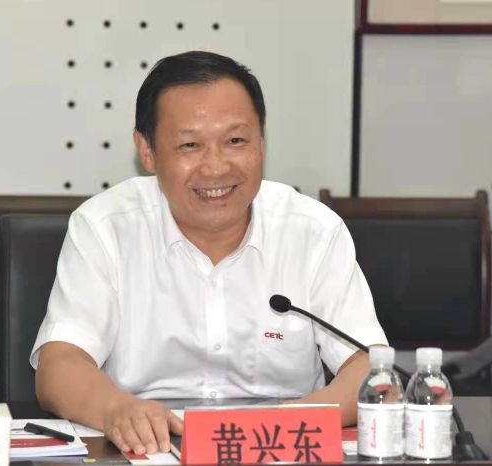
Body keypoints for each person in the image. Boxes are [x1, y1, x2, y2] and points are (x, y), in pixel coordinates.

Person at [31, 50, 388, 455]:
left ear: (261, 140)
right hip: (149, 447)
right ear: (147, 151)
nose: (216, 167)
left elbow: (371, 369)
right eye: (190, 145)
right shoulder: (104, 227)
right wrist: (117, 410)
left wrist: (286, 423)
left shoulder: (313, 231)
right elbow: (60, 365)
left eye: (236, 141)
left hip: (280, 447)